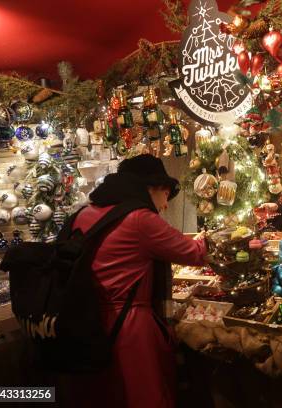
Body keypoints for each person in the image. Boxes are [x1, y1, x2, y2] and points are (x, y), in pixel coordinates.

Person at [66, 154, 207, 408]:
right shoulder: (139, 219)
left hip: (85, 324)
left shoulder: (83, 214)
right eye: (166, 195)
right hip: (129, 328)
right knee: (145, 396)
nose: (165, 206)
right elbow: (195, 252)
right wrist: (223, 238)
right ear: (153, 188)